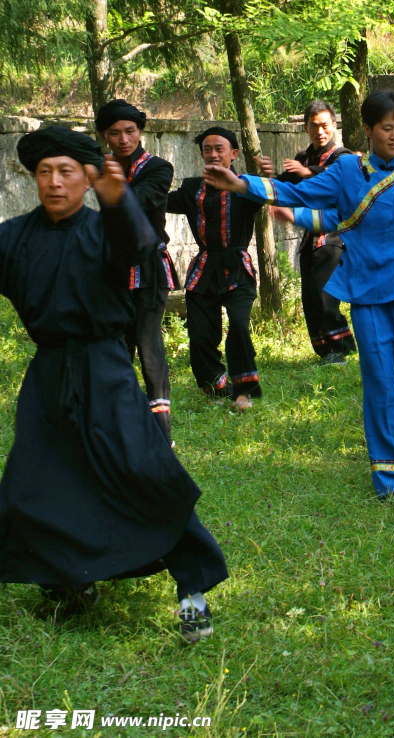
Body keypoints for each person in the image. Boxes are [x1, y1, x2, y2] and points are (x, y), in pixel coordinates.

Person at [202, 90, 394, 498]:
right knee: (382, 387)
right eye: (387, 128)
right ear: (369, 130)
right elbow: (295, 194)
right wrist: (240, 183)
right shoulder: (345, 173)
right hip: (368, 296)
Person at [0, 127, 227, 642]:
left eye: (67, 171)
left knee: (144, 471)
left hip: (105, 368)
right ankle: (67, 583)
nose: (55, 182)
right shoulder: (13, 238)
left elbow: (141, 242)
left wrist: (118, 198)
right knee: (34, 483)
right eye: (44, 172)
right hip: (49, 374)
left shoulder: (106, 232)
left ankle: (193, 589)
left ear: (87, 179)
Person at [95, 99, 179, 443]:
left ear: (140, 132)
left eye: (130, 131)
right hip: (113, 266)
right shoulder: (100, 170)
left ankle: (161, 433)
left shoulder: (159, 168)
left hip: (149, 266)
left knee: (147, 341)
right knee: (116, 345)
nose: (123, 138)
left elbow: (138, 200)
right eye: (115, 133)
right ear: (105, 136)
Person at [166, 127, 264, 410]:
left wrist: (271, 176)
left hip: (237, 267)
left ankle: (244, 391)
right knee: (199, 335)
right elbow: (157, 200)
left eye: (219, 148)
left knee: (239, 326)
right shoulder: (190, 188)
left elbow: (277, 192)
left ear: (233, 154)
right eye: (207, 149)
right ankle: (218, 385)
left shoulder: (247, 187)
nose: (213, 154)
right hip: (204, 269)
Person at [259, 100, 357, 365]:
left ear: (334, 125)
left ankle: (342, 348)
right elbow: (284, 186)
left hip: (335, 236)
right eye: (314, 126)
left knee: (324, 293)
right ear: (305, 128)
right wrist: (268, 177)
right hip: (309, 238)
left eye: (325, 125)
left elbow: (338, 179)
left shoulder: (343, 157)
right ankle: (325, 351)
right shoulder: (303, 157)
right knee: (310, 296)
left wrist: (308, 173)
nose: (320, 131)